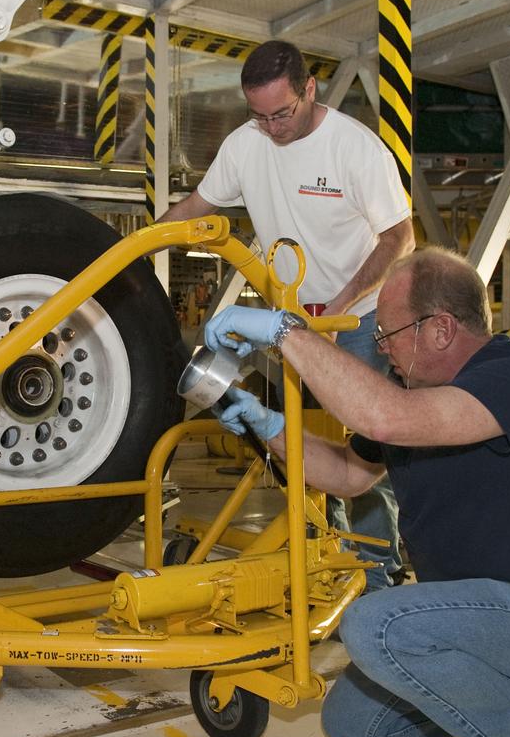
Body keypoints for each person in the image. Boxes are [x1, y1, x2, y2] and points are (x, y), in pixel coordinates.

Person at [204, 247, 510, 737]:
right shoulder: (413, 402)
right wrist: (266, 425)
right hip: (463, 619)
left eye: (389, 334)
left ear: (440, 329)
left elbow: (386, 417)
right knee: (350, 727)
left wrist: (283, 331)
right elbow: (347, 475)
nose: (382, 347)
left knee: (374, 625)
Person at [159, 39, 414, 590]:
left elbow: (400, 237)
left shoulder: (356, 149)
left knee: (366, 446)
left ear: (310, 90)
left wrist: (339, 309)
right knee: (302, 439)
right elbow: (197, 208)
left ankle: (376, 572)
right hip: (293, 323)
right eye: (260, 116)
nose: (272, 128)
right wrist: (137, 247)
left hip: (356, 320)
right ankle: (327, 554)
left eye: (282, 113)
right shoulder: (244, 145)